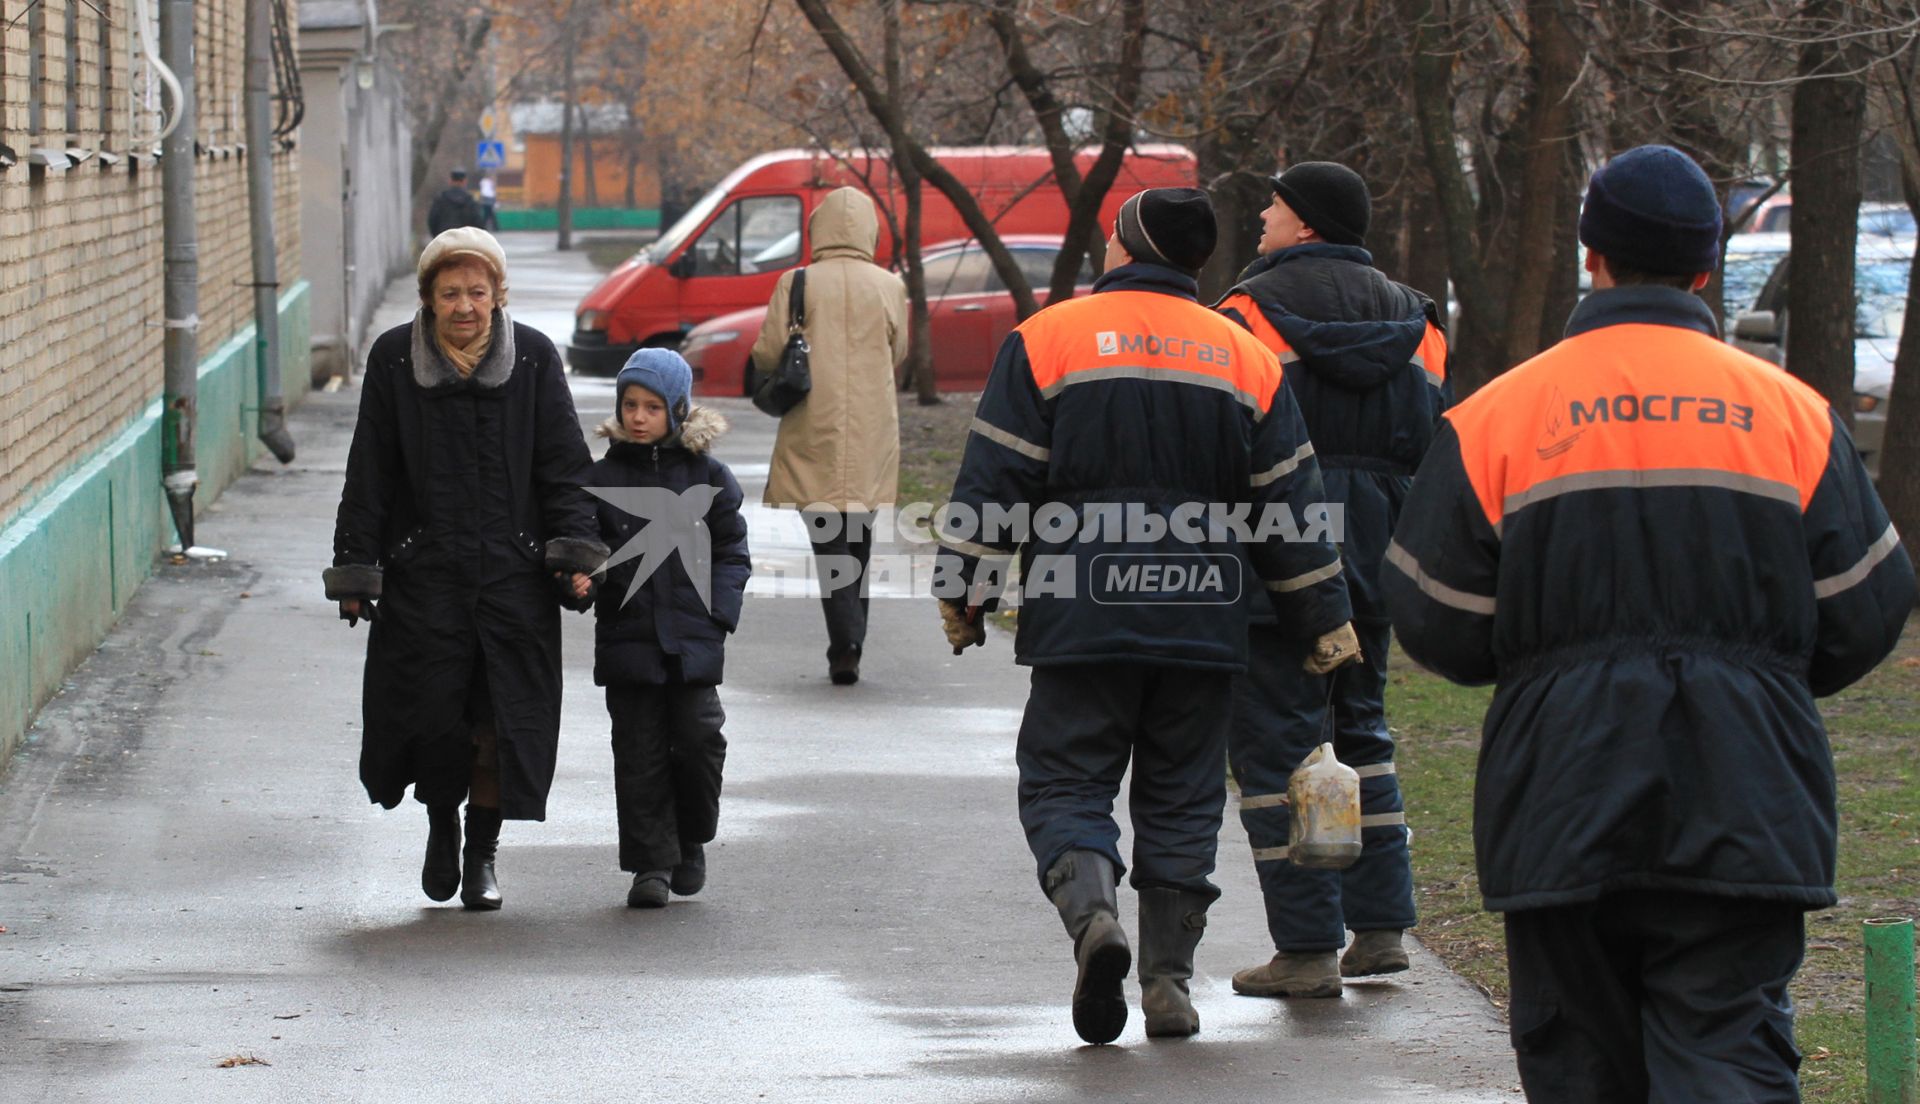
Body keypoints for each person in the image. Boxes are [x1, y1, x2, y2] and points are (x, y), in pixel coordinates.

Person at [1384, 145, 1915, 1100]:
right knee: (1730, 1049)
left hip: (1558, 790)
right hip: (1749, 788)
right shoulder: (1795, 416)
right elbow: (1866, 608)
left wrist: (1547, 662)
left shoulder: (1498, 417)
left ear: (1591, 255)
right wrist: (1761, 675)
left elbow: (1438, 620)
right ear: (1708, 265)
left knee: (1582, 1064)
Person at [934, 187, 1361, 1044]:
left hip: (1081, 607)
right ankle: (1168, 982)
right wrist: (1323, 620)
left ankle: (1094, 918)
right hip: (1204, 618)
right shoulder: (1245, 356)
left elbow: (1000, 474)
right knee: (1183, 796)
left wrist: (964, 588)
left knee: (1066, 778)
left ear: (1127, 245)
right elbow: (1291, 505)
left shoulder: (1049, 339)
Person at [1212, 162, 1451, 998]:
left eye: (1274, 210)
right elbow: (1427, 437)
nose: (1263, 223)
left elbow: (1228, 435)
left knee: (1280, 738)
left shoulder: (1244, 313)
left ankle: (1307, 947)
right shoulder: (1419, 318)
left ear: (1306, 223)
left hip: (1282, 538)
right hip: (1380, 539)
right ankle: (1381, 927)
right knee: (1362, 728)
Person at [325, 227, 606, 911]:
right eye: (450, 293)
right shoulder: (395, 361)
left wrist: (573, 553)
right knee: (434, 721)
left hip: (513, 577)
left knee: (498, 723)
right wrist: (358, 566)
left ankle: (482, 853)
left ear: (497, 294)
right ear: (428, 298)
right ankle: (440, 825)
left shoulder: (534, 359)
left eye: (477, 292)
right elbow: (371, 472)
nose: (465, 306)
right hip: (426, 578)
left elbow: (564, 469)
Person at [574, 349, 751, 908]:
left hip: (694, 639)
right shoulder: (603, 481)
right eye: (630, 404)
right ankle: (651, 864)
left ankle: (691, 838)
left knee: (699, 742)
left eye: (652, 406)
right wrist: (581, 582)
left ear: (678, 410)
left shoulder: (708, 477)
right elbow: (589, 552)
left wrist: (718, 613)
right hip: (629, 640)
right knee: (638, 752)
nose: (639, 416)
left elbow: (732, 550)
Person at [751, 186, 908, 685]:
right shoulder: (889, 285)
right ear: (869, 229)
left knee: (827, 537)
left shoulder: (795, 282)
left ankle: (846, 640)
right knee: (857, 536)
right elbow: (899, 351)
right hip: (871, 425)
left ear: (817, 228)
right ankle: (850, 637)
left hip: (812, 424)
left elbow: (766, 352)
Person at [427, 167, 485, 237]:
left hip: (445, 239)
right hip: (465, 241)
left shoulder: (441, 199)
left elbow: (432, 220)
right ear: (464, 181)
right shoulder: (470, 201)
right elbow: (478, 222)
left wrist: (437, 236)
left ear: (451, 181)